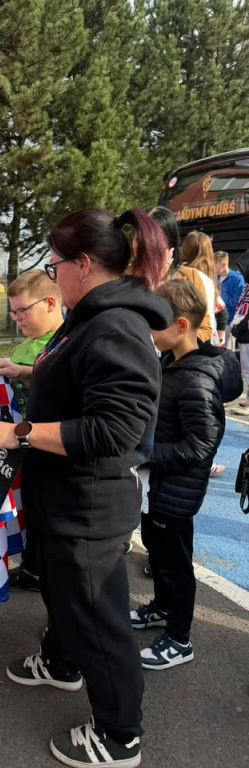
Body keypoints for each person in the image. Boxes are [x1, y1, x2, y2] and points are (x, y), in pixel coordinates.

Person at [0, 208, 173, 768]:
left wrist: (18, 431)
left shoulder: (116, 325)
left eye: (55, 264)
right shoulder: (90, 317)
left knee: (99, 621)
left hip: (88, 506)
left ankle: (119, 735)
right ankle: (62, 664)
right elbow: (73, 373)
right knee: (66, 600)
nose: (52, 274)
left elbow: (114, 430)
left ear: (83, 265)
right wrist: (30, 374)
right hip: (62, 497)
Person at [131, 280, 242, 669]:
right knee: (158, 554)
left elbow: (200, 446)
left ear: (180, 324)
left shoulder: (194, 378)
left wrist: (145, 456)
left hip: (174, 490)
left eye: (153, 324)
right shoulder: (172, 363)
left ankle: (179, 638)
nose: (148, 333)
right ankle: (162, 610)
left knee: (175, 565)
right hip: (158, 485)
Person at [0, 269, 63, 592]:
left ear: (51, 303)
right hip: (25, 448)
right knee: (31, 511)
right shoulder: (31, 344)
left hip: (54, 451)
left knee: (51, 521)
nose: (17, 318)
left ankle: (48, 577)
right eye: (13, 312)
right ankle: (33, 568)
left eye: (23, 311)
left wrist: (23, 371)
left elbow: (53, 375)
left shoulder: (66, 344)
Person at [148, 207, 213, 342]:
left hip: (176, 361)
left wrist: (170, 343)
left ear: (169, 241)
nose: (148, 244)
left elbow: (205, 331)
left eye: (154, 237)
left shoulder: (192, 277)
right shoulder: (127, 278)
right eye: (141, 236)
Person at [214, 250, 245, 349]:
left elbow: (238, 303)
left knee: (227, 351)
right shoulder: (215, 277)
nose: (213, 267)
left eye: (215, 265)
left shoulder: (237, 279)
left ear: (223, 265)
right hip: (215, 321)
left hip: (229, 322)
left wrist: (221, 294)